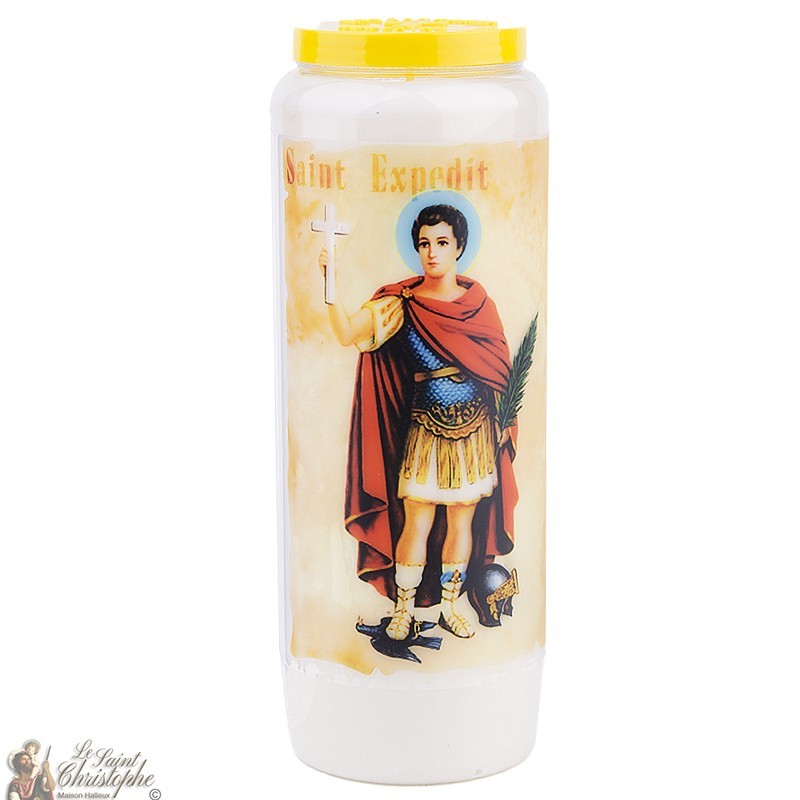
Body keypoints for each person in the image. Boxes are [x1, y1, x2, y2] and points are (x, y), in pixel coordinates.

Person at [319, 204, 519, 642]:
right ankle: (403, 610)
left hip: (474, 431)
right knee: (418, 521)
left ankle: (450, 606)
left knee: (461, 522)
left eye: (442, 242)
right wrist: (329, 281)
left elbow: (498, 369)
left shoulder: (478, 305)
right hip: (426, 428)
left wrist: (506, 421)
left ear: (459, 247)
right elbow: (347, 333)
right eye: (425, 244)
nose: (432, 252)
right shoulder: (401, 304)